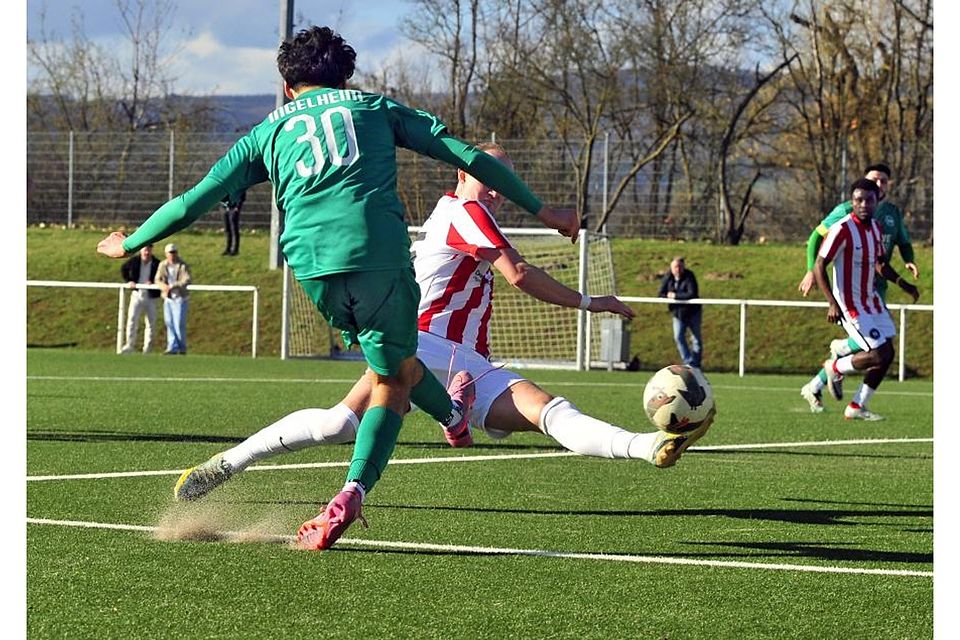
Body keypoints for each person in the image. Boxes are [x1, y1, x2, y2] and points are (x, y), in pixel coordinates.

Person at [96, 26, 578, 551]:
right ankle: (353, 492)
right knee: (392, 382)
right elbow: (471, 158)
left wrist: (130, 242)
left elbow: (194, 200)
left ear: (288, 87)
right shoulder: (374, 108)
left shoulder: (267, 132)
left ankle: (452, 416)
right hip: (378, 258)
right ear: (345, 77)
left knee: (395, 365)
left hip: (313, 271)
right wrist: (546, 212)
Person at [171, 143, 715, 509]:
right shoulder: (464, 212)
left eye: (504, 180)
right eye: (490, 177)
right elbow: (519, 274)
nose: (498, 188)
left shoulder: (468, 214)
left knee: (548, 411)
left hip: (467, 362)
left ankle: (648, 446)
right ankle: (231, 462)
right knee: (340, 424)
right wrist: (591, 302)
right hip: (423, 344)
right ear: (462, 173)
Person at [798, 163, 920, 413]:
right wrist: (828, 297)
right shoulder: (843, 224)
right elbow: (819, 254)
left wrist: (903, 280)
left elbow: (883, 259)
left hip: (873, 295)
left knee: (886, 352)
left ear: (879, 197)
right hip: (850, 301)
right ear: (853, 200)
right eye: (859, 200)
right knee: (875, 352)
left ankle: (855, 405)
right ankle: (835, 366)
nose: (864, 204)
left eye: (882, 182)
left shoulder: (880, 224)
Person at [657, 257, 702, 369]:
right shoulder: (668, 277)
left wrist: (675, 295)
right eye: (675, 267)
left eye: (679, 267)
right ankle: (689, 362)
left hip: (693, 312)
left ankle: (696, 365)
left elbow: (692, 293)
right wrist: (668, 295)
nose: (677, 269)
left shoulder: (689, 276)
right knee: (678, 337)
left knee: (696, 339)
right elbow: (661, 293)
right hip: (678, 314)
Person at [119, 243, 160, 354]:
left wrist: (153, 283)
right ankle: (129, 345)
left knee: (151, 322)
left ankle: (148, 348)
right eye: (145, 250)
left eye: (149, 250)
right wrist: (130, 281)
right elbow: (123, 269)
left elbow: (161, 277)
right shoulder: (134, 261)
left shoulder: (156, 263)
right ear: (141, 250)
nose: (147, 252)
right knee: (132, 320)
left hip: (150, 297)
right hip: (137, 295)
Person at [155, 243, 192, 355]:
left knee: (179, 323)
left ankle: (182, 347)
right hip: (168, 298)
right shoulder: (163, 265)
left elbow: (186, 279)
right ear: (166, 254)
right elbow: (158, 279)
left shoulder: (182, 265)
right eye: (170, 253)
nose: (172, 255)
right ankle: (172, 347)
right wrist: (164, 287)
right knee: (169, 323)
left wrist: (173, 286)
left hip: (180, 298)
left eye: (174, 252)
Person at [220, 189, 246, 256]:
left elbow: (242, 195)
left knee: (234, 229)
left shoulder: (239, 185)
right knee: (227, 229)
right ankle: (228, 249)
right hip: (224, 208)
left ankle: (235, 249)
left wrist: (237, 207)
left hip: (234, 208)